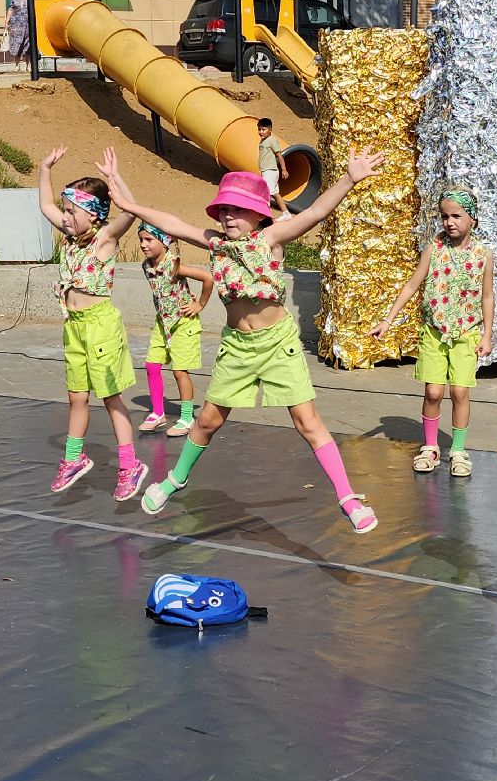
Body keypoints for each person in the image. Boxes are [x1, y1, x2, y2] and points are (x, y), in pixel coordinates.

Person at [97, 145, 384, 533]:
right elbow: (171, 222)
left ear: (258, 213)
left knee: (307, 421)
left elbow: (316, 212)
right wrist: (125, 198)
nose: (229, 216)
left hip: (277, 343)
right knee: (208, 420)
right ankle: (175, 480)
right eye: (224, 210)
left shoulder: (272, 238)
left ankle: (347, 497)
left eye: (238, 209)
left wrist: (349, 178)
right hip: (238, 346)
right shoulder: (215, 243)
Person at [39, 147, 148, 500]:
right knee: (76, 397)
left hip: (101, 326)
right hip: (74, 325)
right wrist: (44, 169)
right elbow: (44, 206)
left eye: (72, 212)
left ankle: (130, 465)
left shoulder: (104, 240)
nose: (65, 217)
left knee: (111, 398)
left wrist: (115, 180)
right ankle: (74, 459)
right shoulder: (71, 238)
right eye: (66, 211)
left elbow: (129, 214)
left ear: (95, 215)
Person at [371, 187, 494, 477]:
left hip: (466, 332)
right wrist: (388, 319)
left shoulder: (484, 255)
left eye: (457, 216)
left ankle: (459, 450)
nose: (450, 222)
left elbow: (487, 296)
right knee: (433, 391)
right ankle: (430, 446)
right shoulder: (433, 250)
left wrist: (487, 335)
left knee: (460, 391)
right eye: (444, 216)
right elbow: (412, 285)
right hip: (435, 332)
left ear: (472, 218)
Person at [137, 222, 213, 437]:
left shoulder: (174, 265)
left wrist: (199, 304)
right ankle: (158, 413)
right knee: (152, 365)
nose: (143, 244)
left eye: (149, 239)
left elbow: (207, 278)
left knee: (180, 371)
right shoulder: (147, 266)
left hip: (183, 323)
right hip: (163, 323)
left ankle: (187, 418)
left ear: (165, 241)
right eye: (141, 239)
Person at [256, 118, 290, 219]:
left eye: (263, 129)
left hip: (270, 171)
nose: (261, 132)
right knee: (275, 193)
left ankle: (264, 215)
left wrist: (284, 169)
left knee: (266, 193)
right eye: (259, 129)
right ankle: (286, 213)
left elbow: (279, 156)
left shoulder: (272, 140)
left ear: (270, 129)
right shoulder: (263, 140)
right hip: (266, 171)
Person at [5, 0, 31, 67]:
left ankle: (29, 65)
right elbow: (11, 9)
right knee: (16, 44)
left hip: (28, 24)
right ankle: (17, 65)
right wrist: (7, 21)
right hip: (16, 25)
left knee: (28, 45)